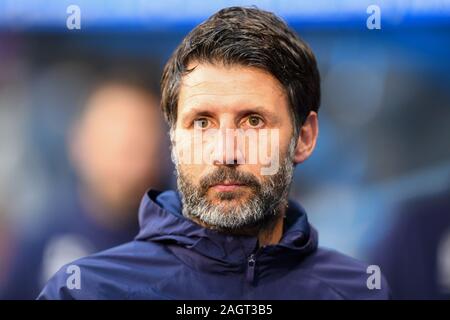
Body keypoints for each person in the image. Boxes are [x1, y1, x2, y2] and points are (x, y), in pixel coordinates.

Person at [38, 7, 390, 300]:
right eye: (202, 123)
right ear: (173, 138)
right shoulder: (88, 292)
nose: (226, 153)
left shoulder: (358, 292)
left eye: (253, 121)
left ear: (305, 137)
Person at [3, 60, 169, 299]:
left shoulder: (180, 247)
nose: (122, 154)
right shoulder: (42, 238)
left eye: (138, 140)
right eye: (110, 136)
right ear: (78, 141)